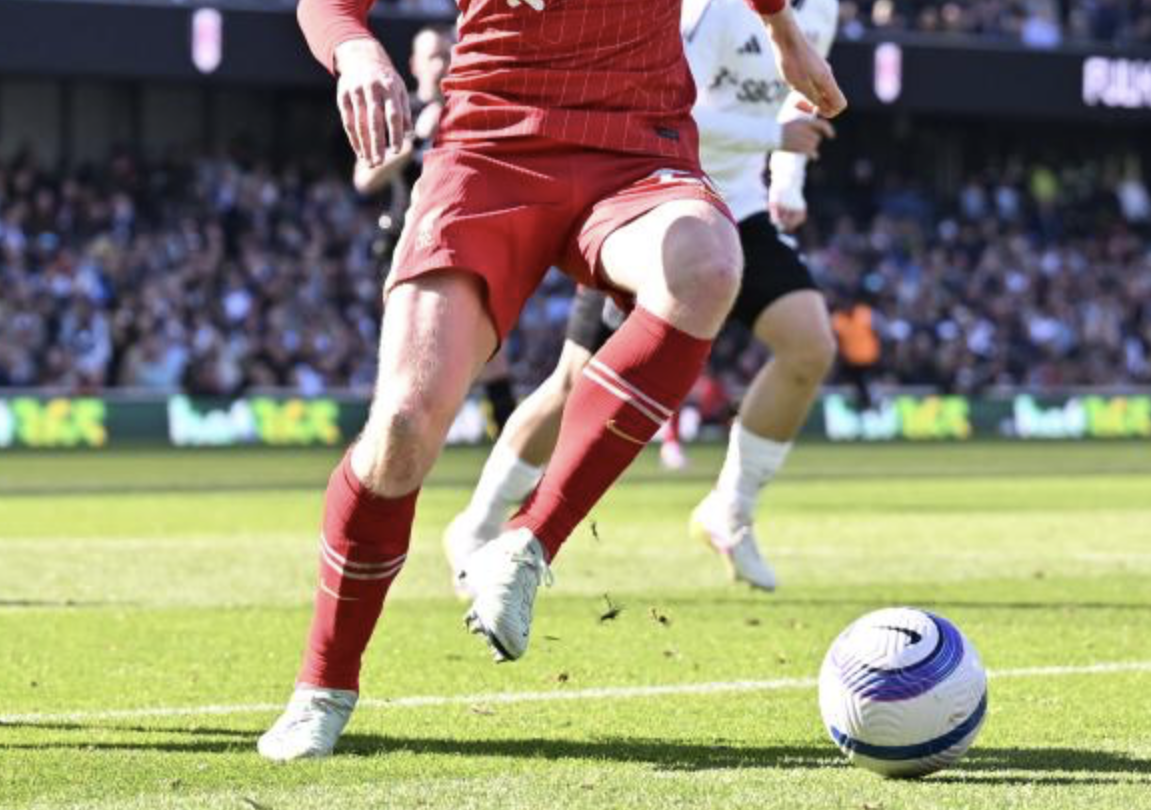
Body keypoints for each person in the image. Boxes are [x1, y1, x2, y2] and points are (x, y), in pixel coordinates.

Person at [262, 0, 845, 761]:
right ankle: (324, 685)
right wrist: (359, 54)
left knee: (707, 264)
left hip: (639, 150)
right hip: (487, 152)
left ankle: (527, 542)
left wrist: (783, 31)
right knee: (403, 430)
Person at [442, 0, 842, 593]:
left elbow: (800, 94)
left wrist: (786, 179)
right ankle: (476, 527)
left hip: (743, 208)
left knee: (809, 346)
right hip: (658, 200)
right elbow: (677, 108)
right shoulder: (711, 10)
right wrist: (773, 135)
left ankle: (728, 511)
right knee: (575, 384)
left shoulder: (823, 10)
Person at [351, 27, 519, 435]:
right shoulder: (401, 111)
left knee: (491, 350)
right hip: (404, 246)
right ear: (413, 64)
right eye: (432, 56)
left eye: (448, 53)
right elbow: (364, 179)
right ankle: (383, 445)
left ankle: (513, 459)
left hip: (464, 241)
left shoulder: (474, 112)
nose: (442, 63)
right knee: (404, 357)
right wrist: (415, 139)